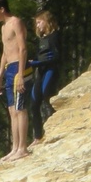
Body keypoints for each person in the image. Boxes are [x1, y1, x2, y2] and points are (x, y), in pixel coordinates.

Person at [0, 0, 33, 161]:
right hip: (9, 68)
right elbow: (5, 52)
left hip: (19, 67)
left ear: (2, 9)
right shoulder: (3, 28)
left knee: (20, 108)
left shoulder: (16, 22)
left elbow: (22, 49)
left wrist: (21, 74)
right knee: (12, 109)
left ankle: (23, 147)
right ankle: (15, 147)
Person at [29, 10, 60, 144]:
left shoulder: (55, 37)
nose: (37, 25)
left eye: (39, 22)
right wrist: (32, 62)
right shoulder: (41, 39)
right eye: (36, 23)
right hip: (40, 72)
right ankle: (37, 136)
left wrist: (39, 62)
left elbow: (57, 57)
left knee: (48, 97)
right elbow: (39, 56)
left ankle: (55, 128)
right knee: (34, 103)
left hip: (50, 70)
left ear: (47, 22)